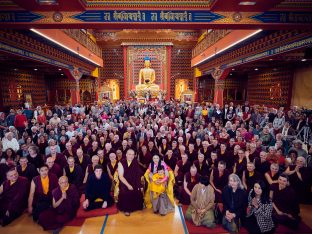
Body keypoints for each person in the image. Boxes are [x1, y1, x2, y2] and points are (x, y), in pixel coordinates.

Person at [117, 149, 144, 216]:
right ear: (126, 154)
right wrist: (128, 185)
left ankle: (136, 206)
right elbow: (120, 177)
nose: (131, 156)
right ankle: (127, 209)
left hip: (134, 181)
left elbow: (138, 174)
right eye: (129, 154)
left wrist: (140, 185)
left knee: (138, 190)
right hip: (124, 182)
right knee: (126, 192)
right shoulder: (121, 163)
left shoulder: (135, 162)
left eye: (132, 154)